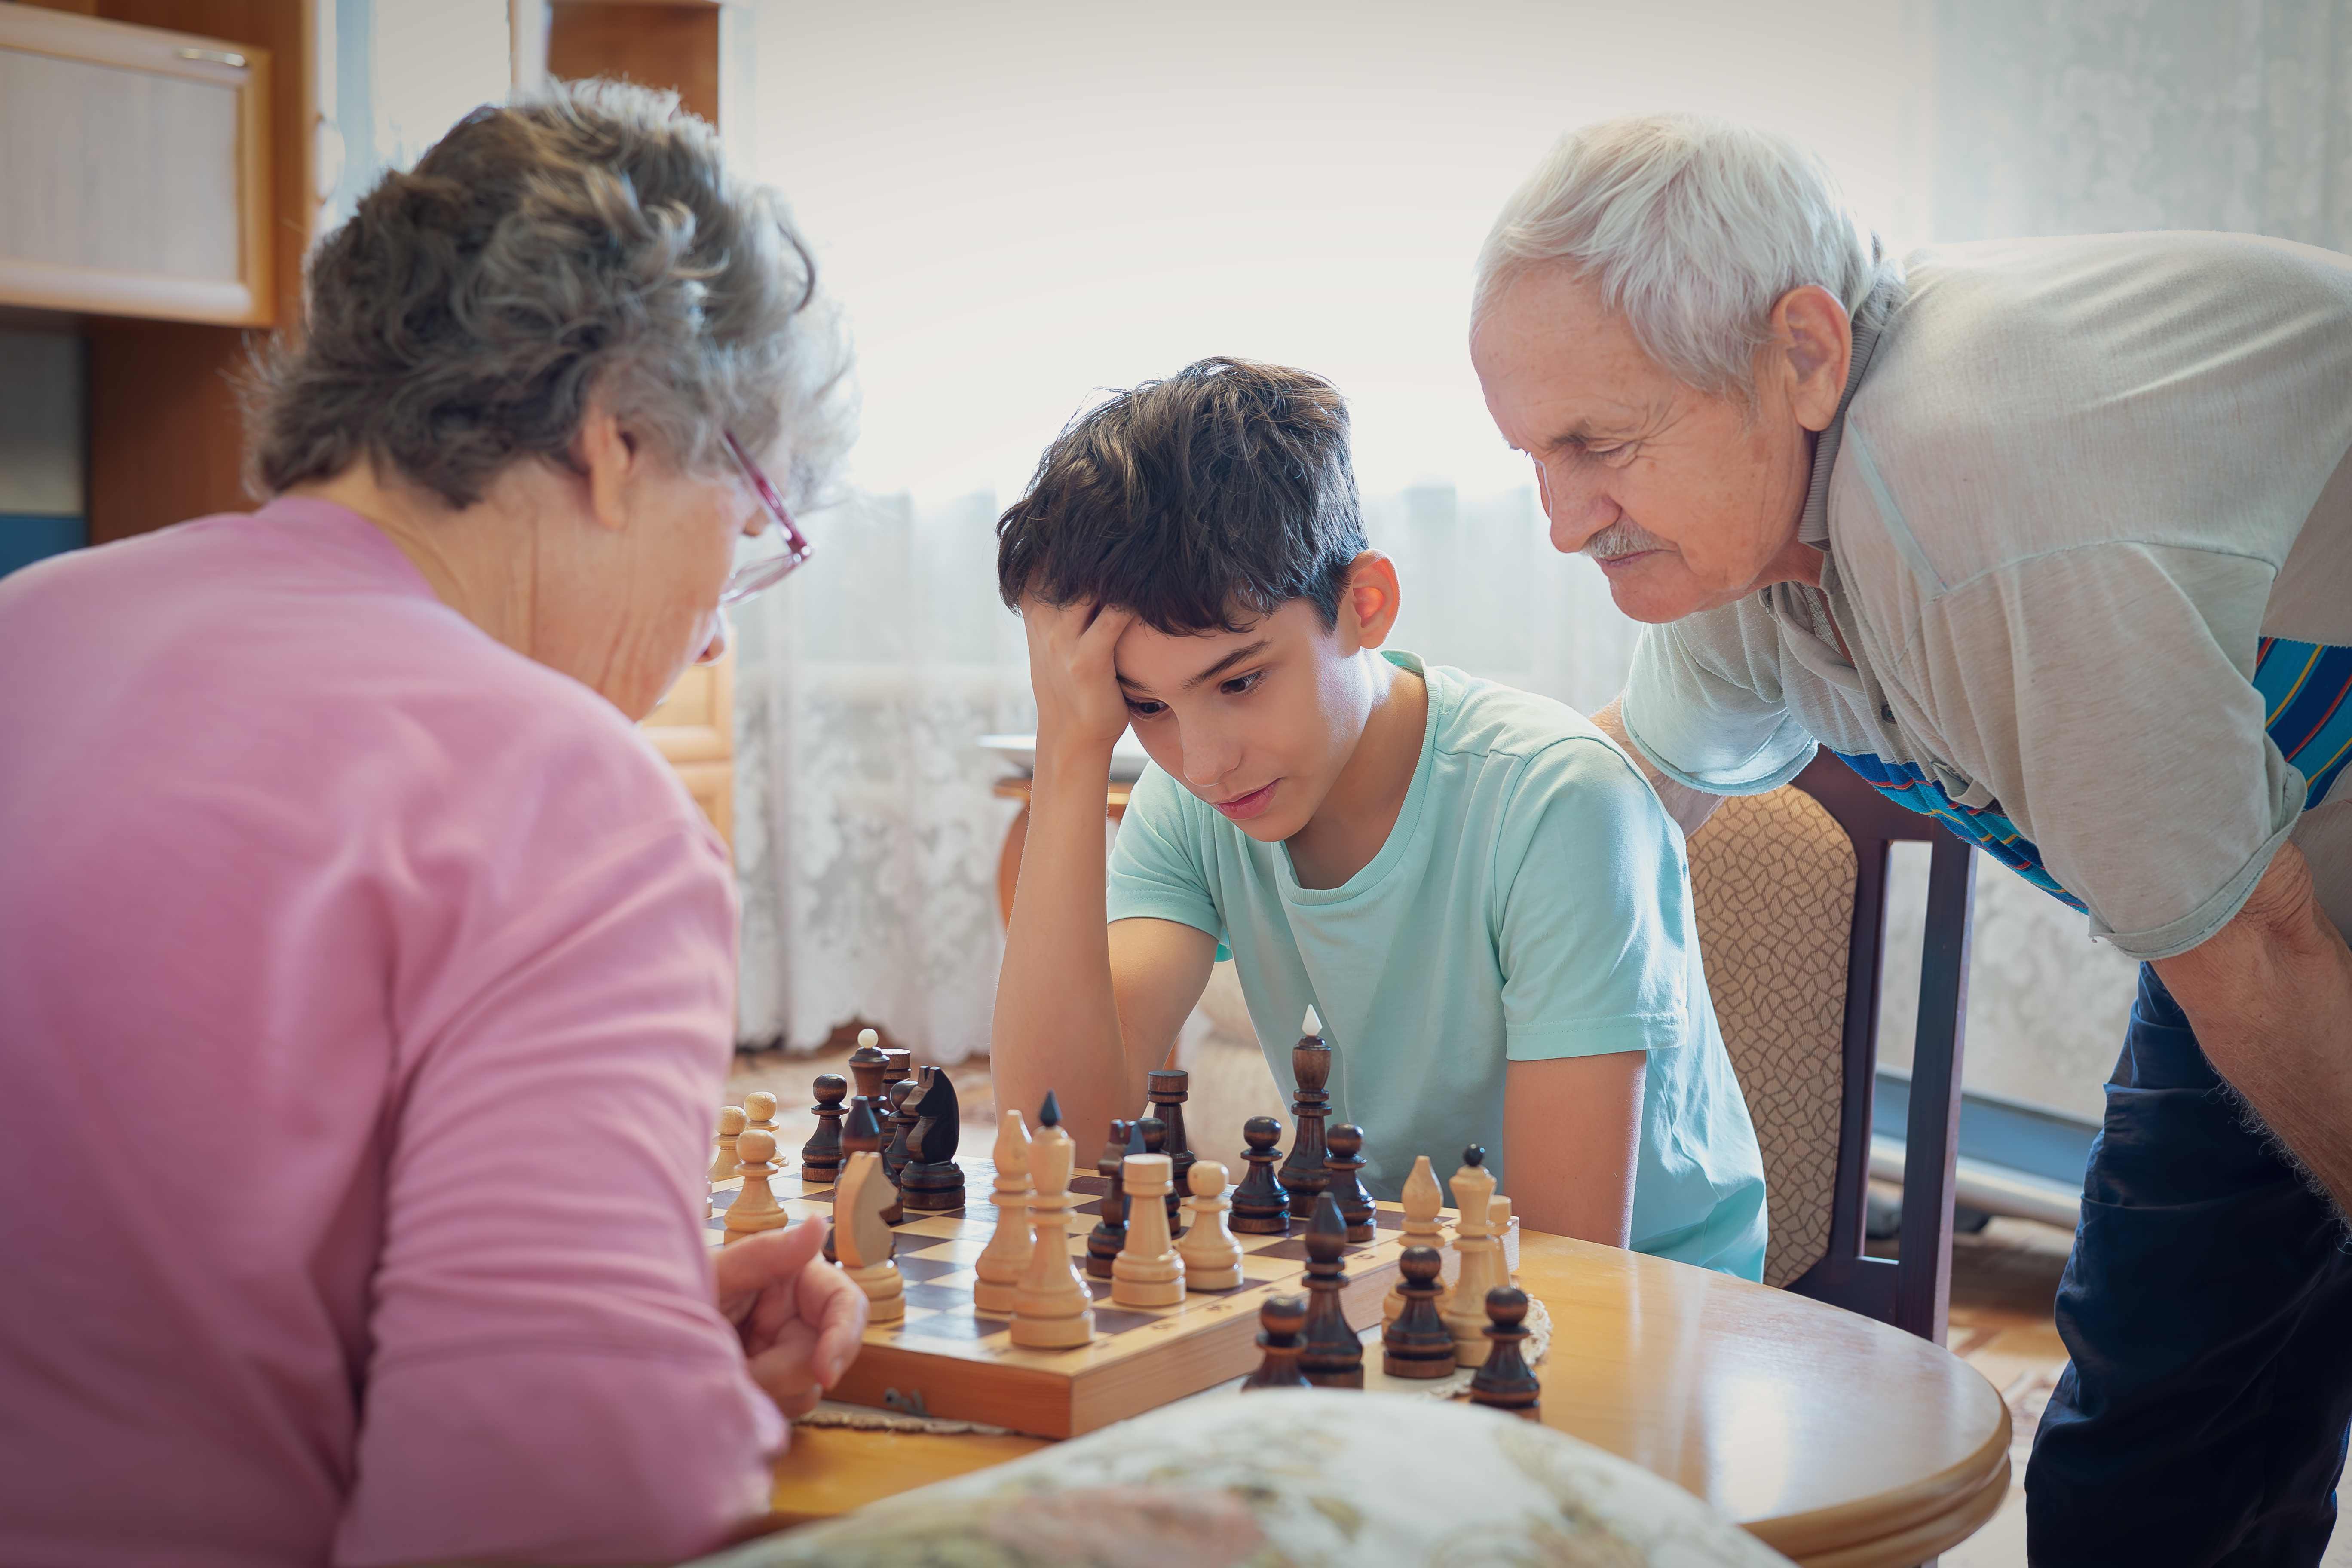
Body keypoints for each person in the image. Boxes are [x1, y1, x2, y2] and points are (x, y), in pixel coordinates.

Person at [1469, 113, 2352, 1566]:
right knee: (2154, 1448)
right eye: (1533, 456)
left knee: (2153, 1461)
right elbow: (1616, 800)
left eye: (1599, 446)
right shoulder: (1749, 534)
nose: (1564, 520)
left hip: (2277, 911)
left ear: (1803, 354)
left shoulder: (1971, 484)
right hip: (2285, 884)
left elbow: (2254, 942)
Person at [0, 83, 864, 1566]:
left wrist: (598, 1313)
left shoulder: (31, 624)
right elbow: (557, 1507)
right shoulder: (571, 800)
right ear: (620, 439)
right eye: (750, 536)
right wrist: (632, 1404)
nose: (717, 639)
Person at [988, 356, 1766, 1276]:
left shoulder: (1561, 804)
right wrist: (1073, 748)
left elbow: (1573, 1268)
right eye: (1145, 706)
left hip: (1646, 1315)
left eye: (1239, 681)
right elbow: (1066, 1145)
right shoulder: (1191, 805)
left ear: (1366, 604)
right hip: (1386, 1283)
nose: (1203, 762)